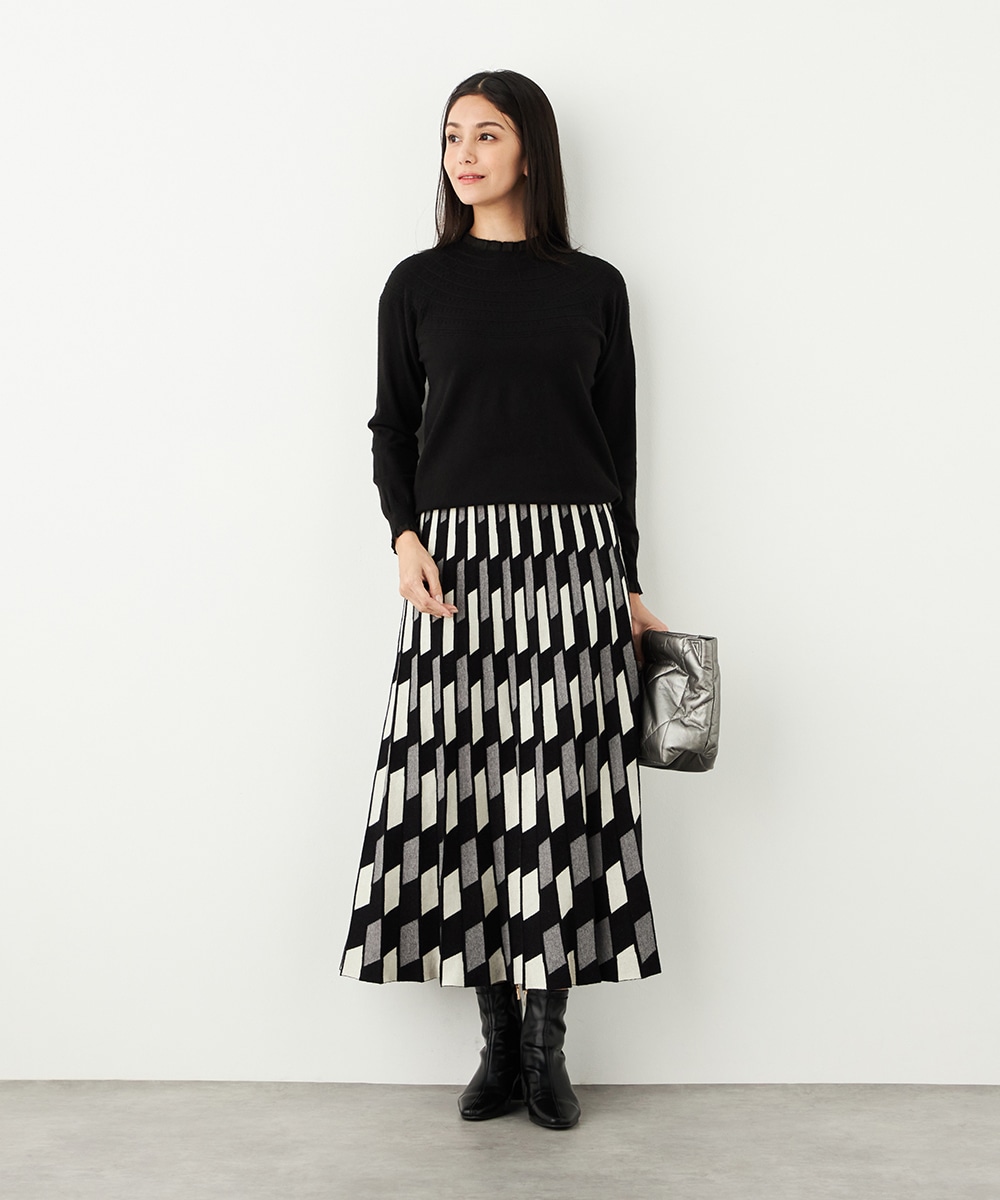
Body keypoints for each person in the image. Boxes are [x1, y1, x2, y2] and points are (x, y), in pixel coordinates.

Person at [339, 69, 670, 1131]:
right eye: (451, 137)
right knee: (468, 795)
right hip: (459, 568)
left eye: (486, 135)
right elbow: (392, 428)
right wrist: (404, 537)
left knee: (564, 799)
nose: (465, 155)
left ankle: (546, 1049)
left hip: (573, 561)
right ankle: (493, 1045)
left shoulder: (595, 287)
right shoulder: (416, 285)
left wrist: (624, 581)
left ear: (531, 149)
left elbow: (618, 450)